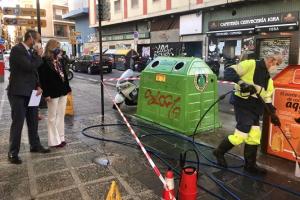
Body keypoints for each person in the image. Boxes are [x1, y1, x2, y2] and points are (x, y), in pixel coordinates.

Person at [213, 53, 283, 175]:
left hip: (256, 109)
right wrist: (242, 83)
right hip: (243, 105)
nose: (276, 67)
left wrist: (273, 115)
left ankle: (250, 165)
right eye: (277, 64)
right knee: (241, 135)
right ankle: (219, 152)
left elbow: (266, 98)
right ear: (272, 60)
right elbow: (229, 72)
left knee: (255, 136)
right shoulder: (251, 64)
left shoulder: (268, 79)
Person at [7, 30, 50, 164]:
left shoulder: (31, 52)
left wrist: (38, 85)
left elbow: (34, 72)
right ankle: (13, 152)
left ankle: (35, 145)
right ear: (30, 38)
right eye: (38, 40)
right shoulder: (17, 50)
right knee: (18, 123)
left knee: (33, 121)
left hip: (33, 92)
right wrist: (39, 55)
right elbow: (29, 66)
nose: (39, 43)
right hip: (19, 93)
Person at [38, 39, 72, 148]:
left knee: (61, 115)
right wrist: (46, 94)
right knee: (52, 117)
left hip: (63, 90)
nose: (60, 49)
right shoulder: (43, 61)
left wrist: (68, 88)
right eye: (58, 46)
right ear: (52, 48)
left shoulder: (60, 60)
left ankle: (61, 138)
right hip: (52, 93)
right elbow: (43, 79)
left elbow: (65, 75)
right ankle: (53, 140)